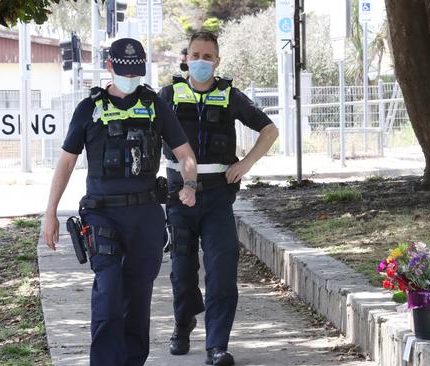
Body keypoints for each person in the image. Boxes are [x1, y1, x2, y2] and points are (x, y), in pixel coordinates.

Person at [42, 38, 197, 366]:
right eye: (125, 71)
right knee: (109, 296)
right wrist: (50, 213)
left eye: (137, 71)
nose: (132, 78)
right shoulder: (90, 108)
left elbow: (185, 154)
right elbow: (67, 162)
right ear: (110, 67)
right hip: (102, 216)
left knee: (138, 301)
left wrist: (191, 184)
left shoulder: (155, 105)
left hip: (145, 216)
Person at [158, 31, 279, 366]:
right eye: (195, 55)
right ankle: (183, 325)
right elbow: (149, 133)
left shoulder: (230, 96)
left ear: (217, 61)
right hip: (179, 194)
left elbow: (269, 130)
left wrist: (246, 163)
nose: (201, 62)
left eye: (208, 56)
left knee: (222, 271)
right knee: (182, 271)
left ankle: (217, 346)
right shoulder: (168, 94)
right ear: (186, 59)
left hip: (217, 197)